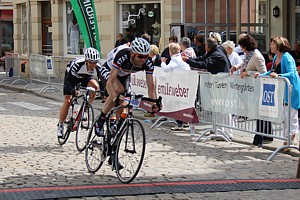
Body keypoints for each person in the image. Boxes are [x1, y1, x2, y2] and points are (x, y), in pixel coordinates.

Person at [97, 37, 159, 137]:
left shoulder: (147, 62)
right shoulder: (123, 55)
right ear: (132, 54)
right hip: (109, 70)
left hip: (124, 74)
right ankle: (101, 120)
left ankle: (116, 134)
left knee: (125, 101)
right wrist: (114, 97)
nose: (143, 60)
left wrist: (154, 103)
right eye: (140, 57)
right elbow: (110, 82)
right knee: (119, 91)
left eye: (146, 56)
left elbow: (151, 87)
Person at [254, 36, 300, 151]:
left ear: (279, 46)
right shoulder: (275, 58)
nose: (270, 46)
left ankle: (291, 140)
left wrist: (279, 76)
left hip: (291, 90)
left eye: (272, 44)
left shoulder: (287, 58)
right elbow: (272, 71)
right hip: (282, 91)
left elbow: (292, 74)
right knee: (284, 116)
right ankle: (287, 139)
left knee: (291, 115)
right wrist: (261, 75)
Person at [229, 34, 268, 147]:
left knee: (260, 114)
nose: (240, 48)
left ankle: (259, 138)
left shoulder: (257, 56)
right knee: (258, 113)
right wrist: (236, 67)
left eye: (241, 46)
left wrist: (248, 73)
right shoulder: (249, 55)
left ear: (245, 46)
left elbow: (263, 72)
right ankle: (262, 136)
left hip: (258, 88)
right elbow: (245, 63)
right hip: (251, 89)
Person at [57, 47, 101, 137]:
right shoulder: (77, 64)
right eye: (91, 62)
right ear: (86, 61)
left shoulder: (98, 67)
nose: (93, 65)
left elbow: (102, 81)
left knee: (95, 87)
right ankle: (61, 125)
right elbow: (70, 80)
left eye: (95, 62)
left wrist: (105, 92)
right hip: (72, 78)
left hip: (86, 77)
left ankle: (85, 107)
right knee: (68, 100)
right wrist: (73, 91)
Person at [160, 42, 191, 131]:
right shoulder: (179, 58)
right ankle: (185, 121)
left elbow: (166, 69)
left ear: (171, 51)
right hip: (183, 83)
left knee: (178, 103)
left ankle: (180, 123)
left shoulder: (175, 59)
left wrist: (163, 63)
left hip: (180, 84)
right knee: (182, 102)